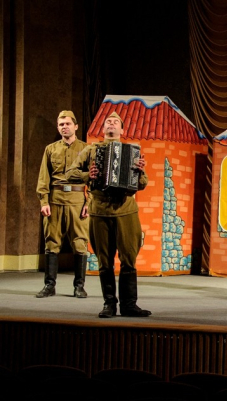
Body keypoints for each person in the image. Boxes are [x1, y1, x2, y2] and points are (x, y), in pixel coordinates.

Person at [66, 112, 151, 318]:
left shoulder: (132, 151)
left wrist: (139, 171)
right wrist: (88, 175)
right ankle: (109, 304)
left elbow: (142, 184)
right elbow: (69, 173)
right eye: (108, 122)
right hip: (100, 211)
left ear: (122, 129)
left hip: (126, 210)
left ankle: (129, 305)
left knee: (129, 258)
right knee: (104, 260)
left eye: (115, 122)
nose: (111, 124)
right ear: (103, 129)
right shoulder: (91, 150)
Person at [35, 110, 89, 298]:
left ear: (76, 126)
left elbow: (92, 178)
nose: (64, 127)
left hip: (77, 200)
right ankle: (49, 286)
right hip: (55, 199)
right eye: (61, 124)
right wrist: (44, 201)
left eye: (67, 123)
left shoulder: (86, 149)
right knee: (51, 242)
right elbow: (43, 177)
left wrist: (88, 202)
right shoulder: (50, 149)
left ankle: (79, 286)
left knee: (80, 242)